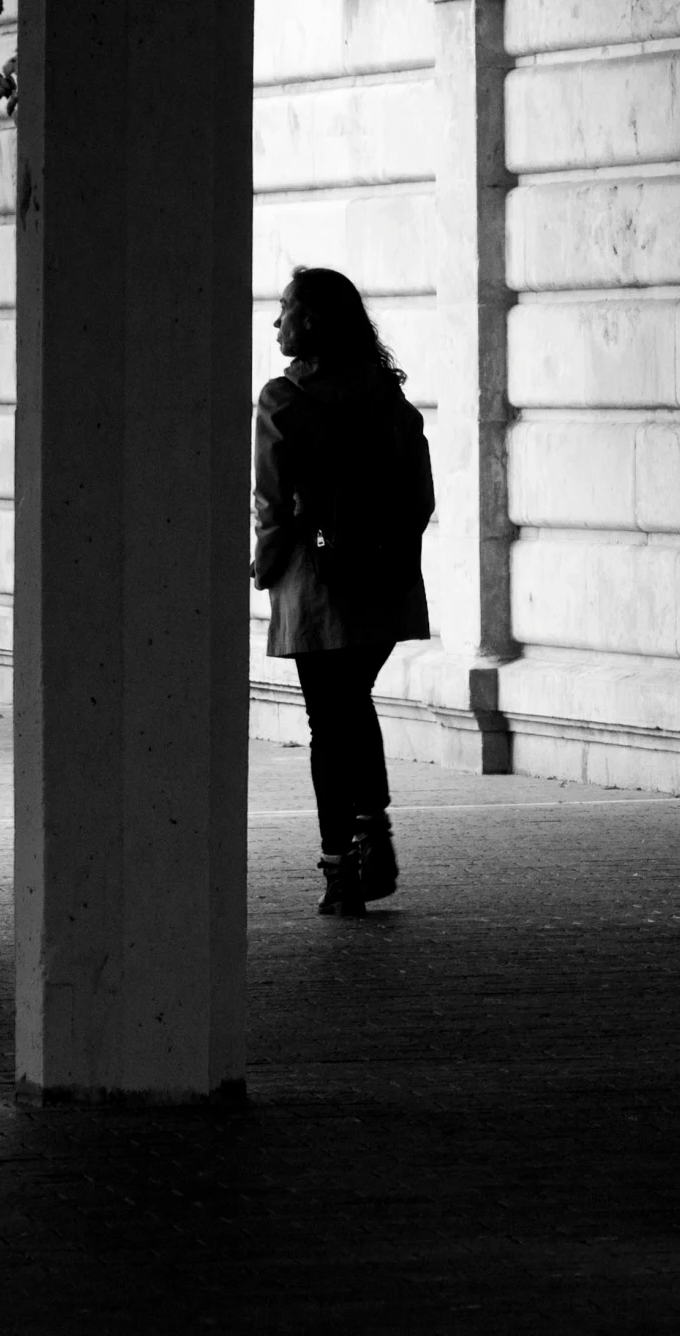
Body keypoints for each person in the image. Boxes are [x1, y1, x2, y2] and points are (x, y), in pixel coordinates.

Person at [249, 266, 435, 917]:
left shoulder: (283, 400)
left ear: (313, 321)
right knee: (351, 705)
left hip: (314, 585)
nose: (277, 322)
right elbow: (419, 497)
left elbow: (270, 504)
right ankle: (371, 833)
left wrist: (264, 565)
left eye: (285, 309)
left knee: (330, 720)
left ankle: (342, 868)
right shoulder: (388, 397)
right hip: (382, 585)